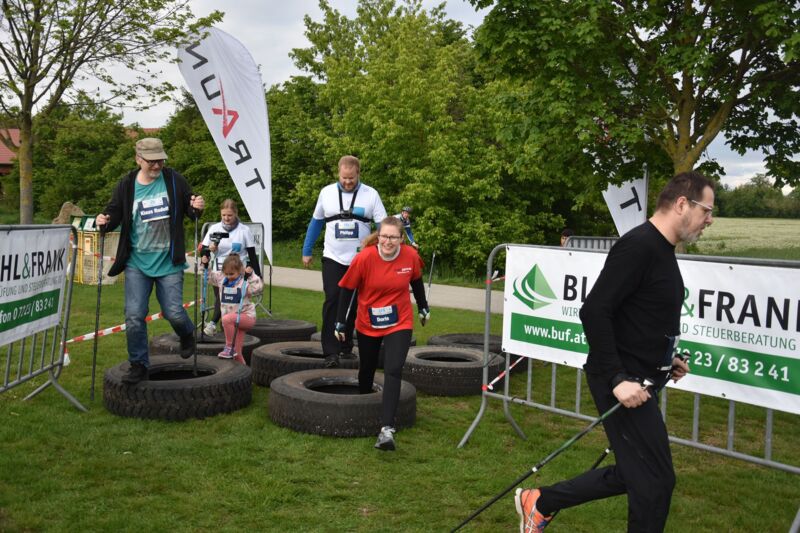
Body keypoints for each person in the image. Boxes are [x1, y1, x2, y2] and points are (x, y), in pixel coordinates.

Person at [515, 171, 713, 533]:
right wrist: (618, 378)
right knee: (655, 483)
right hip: (620, 382)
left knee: (637, 473)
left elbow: (638, 316)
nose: (710, 220)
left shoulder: (661, 249)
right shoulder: (639, 245)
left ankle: (540, 501)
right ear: (682, 204)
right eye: (707, 210)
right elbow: (595, 310)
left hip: (641, 380)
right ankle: (540, 501)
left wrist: (667, 360)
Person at [96, 137, 205, 384]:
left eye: (160, 161)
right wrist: (104, 220)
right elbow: (113, 212)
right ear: (138, 159)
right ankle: (139, 365)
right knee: (134, 316)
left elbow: (190, 207)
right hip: (137, 262)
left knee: (174, 312)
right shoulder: (126, 185)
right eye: (151, 162)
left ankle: (187, 334)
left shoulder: (174, 180)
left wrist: (197, 206)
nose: (157, 166)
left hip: (168, 261)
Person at [335, 216, 429, 451]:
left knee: (393, 369)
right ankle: (364, 404)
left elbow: (417, 281)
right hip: (368, 321)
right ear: (378, 237)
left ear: (401, 238)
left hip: (400, 321)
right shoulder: (364, 258)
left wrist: (423, 307)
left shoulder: (410, 256)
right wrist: (340, 322)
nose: (388, 241)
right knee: (367, 368)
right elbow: (347, 289)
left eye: (393, 237)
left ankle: (387, 430)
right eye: (384, 236)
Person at [301, 155, 387, 368]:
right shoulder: (326, 193)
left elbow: (383, 226)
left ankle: (346, 345)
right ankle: (331, 352)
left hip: (360, 260)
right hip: (333, 257)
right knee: (332, 300)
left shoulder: (371, 194)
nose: (347, 182)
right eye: (344, 178)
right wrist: (307, 250)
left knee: (354, 303)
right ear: (338, 174)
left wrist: (384, 251)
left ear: (358, 174)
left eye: (351, 178)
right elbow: (316, 223)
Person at [199, 199, 262, 337]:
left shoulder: (244, 230)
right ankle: (221, 327)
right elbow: (203, 251)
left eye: (229, 215)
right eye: (223, 215)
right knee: (221, 298)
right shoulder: (214, 228)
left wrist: (258, 275)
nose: (226, 218)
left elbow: (252, 254)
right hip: (219, 271)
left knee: (231, 299)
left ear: (236, 214)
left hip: (237, 272)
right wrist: (209, 250)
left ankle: (217, 325)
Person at [203, 255, 263, 365]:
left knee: (225, 320)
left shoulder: (244, 281)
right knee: (237, 354)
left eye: (232, 274)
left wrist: (250, 275)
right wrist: (205, 264)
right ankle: (245, 372)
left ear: (239, 271)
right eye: (226, 274)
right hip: (233, 322)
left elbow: (258, 288)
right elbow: (208, 276)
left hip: (246, 317)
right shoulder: (221, 279)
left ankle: (229, 347)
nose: (229, 276)